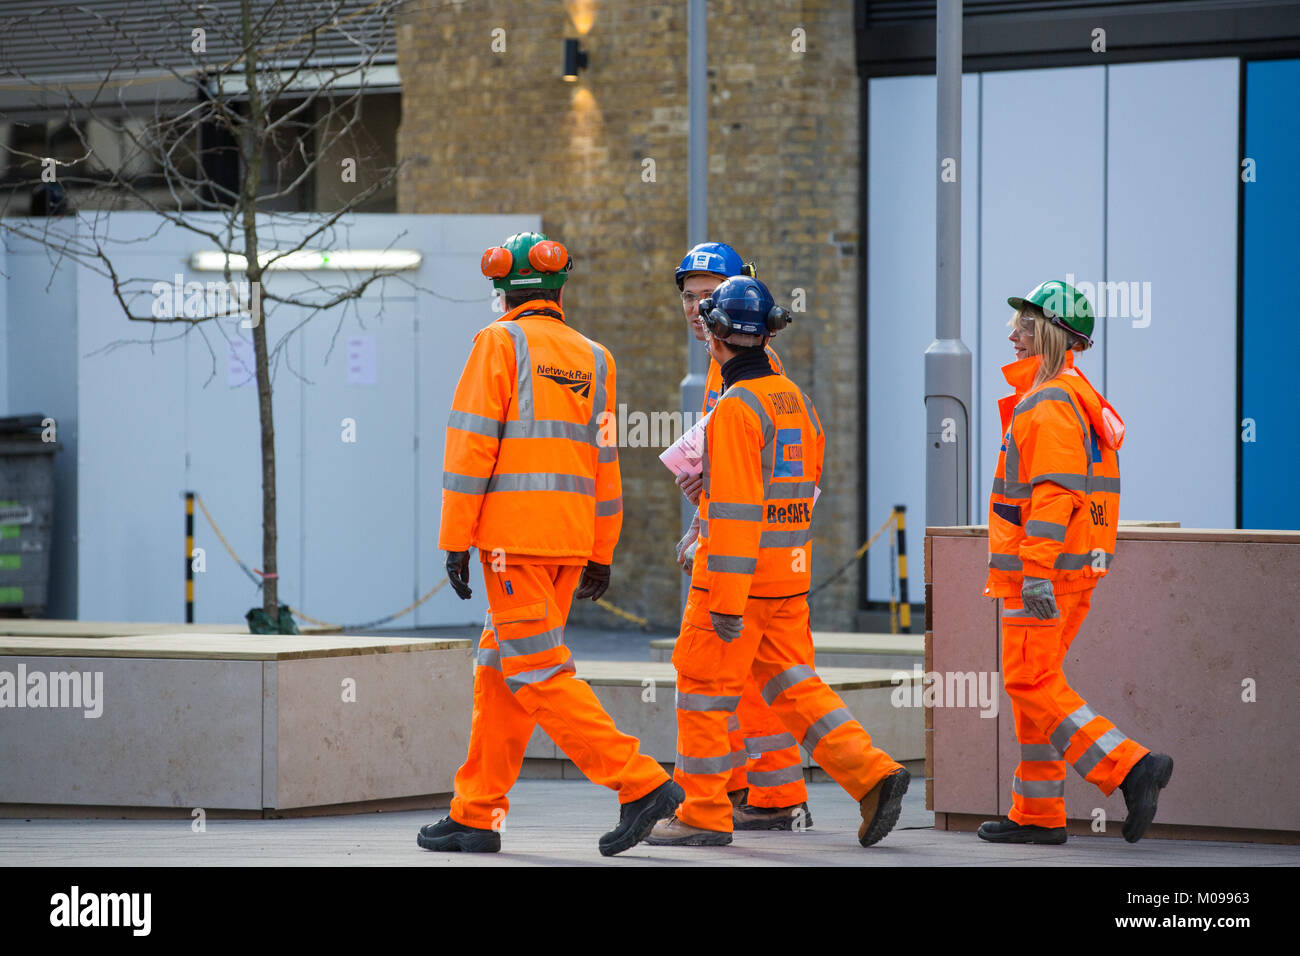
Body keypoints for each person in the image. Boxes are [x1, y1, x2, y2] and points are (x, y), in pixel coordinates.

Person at [419, 231, 682, 857]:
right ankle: (475, 813)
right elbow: (605, 464)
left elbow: (471, 447)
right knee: (500, 670)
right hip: (567, 544)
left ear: (502, 294)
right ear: (560, 290)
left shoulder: (498, 343)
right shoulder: (596, 358)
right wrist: (601, 549)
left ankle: (641, 783)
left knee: (536, 673)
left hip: (511, 545)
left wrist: (456, 539)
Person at [647, 276, 910, 848]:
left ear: (716, 338)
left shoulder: (736, 409)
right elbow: (804, 486)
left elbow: (740, 513)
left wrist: (723, 600)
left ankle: (702, 813)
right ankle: (872, 775)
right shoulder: (797, 400)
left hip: (736, 583)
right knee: (796, 687)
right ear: (767, 335)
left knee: (700, 692)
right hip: (787, 578)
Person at [979, 279, 1174, 845]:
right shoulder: (1078, 397)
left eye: (1025, 324)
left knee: (1028, 681)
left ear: (1054, 335)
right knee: (1036, 684)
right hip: (1071, 570)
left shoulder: (1048, 402)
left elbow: (1055, 494)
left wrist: (1035, 570)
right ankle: (1037, 815)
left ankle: (1130, 767)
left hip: (1043, 575)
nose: (1013, 335)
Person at [671, 242, 814, 833]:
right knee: (760, 681)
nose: (697, 308)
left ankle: (741, 801)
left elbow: (758, 478)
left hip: (748, 561)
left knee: (726, 681)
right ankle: (758, 795)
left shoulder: (752, 371)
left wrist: (709, 530)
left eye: (708, 296)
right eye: (689, 296)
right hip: (759, 556)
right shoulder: (724, 367)